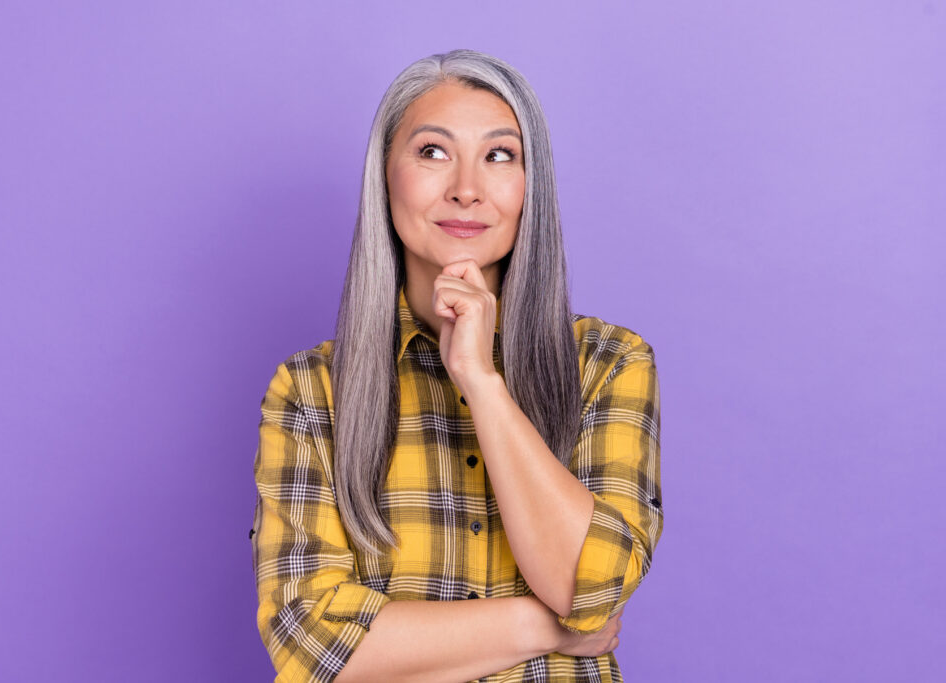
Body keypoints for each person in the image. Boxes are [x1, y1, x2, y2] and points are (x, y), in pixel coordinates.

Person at [250, 48, 663, 683]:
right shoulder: (311, 390)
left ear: (530, 186)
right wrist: (544, 627)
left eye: (499, 155)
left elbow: (590, 589)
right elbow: (310, 643)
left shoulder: (608, 363)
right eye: (433, 151)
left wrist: (481, 380)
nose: (466, 188)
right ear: (385, 178)